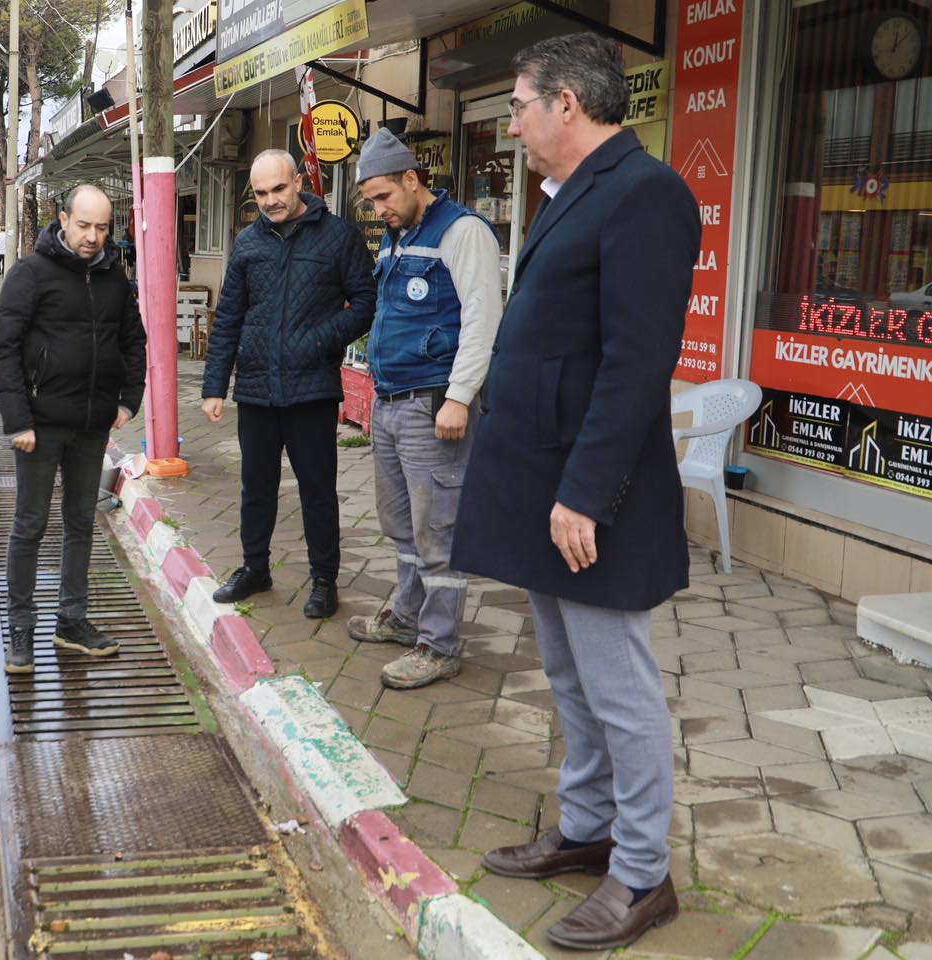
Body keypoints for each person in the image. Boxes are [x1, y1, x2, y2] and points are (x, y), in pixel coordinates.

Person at [451, 35, 699, 950]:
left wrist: (586, 494)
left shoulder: (647, 194)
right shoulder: (574, 193)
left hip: (593, 498)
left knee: (618, 686)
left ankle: (642, 875)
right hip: (542, 483)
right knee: (567, 676)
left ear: (567, 103)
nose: (508, 123)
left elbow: (638, 363)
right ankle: (590, 831)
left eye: (516, 105)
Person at [347, 129, 503, 690]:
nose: (380, 210)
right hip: (392, 403)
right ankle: (408, 616)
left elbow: (483, 319)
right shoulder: (399, 232)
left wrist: (459, 397)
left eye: (385, 197)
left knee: (438, 529)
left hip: (433, 406)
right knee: (402, 525)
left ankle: (439, 645)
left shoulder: (462, 232)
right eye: (372, 202)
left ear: (413, 180)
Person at [201, 149, 375, 619]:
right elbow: (230, 316)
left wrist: (321, 340)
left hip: (312, 388)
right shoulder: (247, 243)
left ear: (297, 182)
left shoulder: (339, 237)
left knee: (316, 489)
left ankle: (324, 580)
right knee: (255, 486)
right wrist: (214, 386)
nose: (271, 200)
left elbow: (364, 301)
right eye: (261, 193)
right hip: (256, 388)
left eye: (279, 189)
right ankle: (254, 568)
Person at [0, 185, 147, 675]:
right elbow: (2, 350)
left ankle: (71, 621)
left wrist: (127, 401)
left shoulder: (115, 280)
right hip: (39, 426)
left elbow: (134, 342)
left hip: (92, 425)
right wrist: (18, 420)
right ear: (63, 220)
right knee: (30, 524)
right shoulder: (30, 274)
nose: (93, 237)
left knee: (81, 522)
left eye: (102, 228)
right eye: (84, 226)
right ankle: (20, 628)